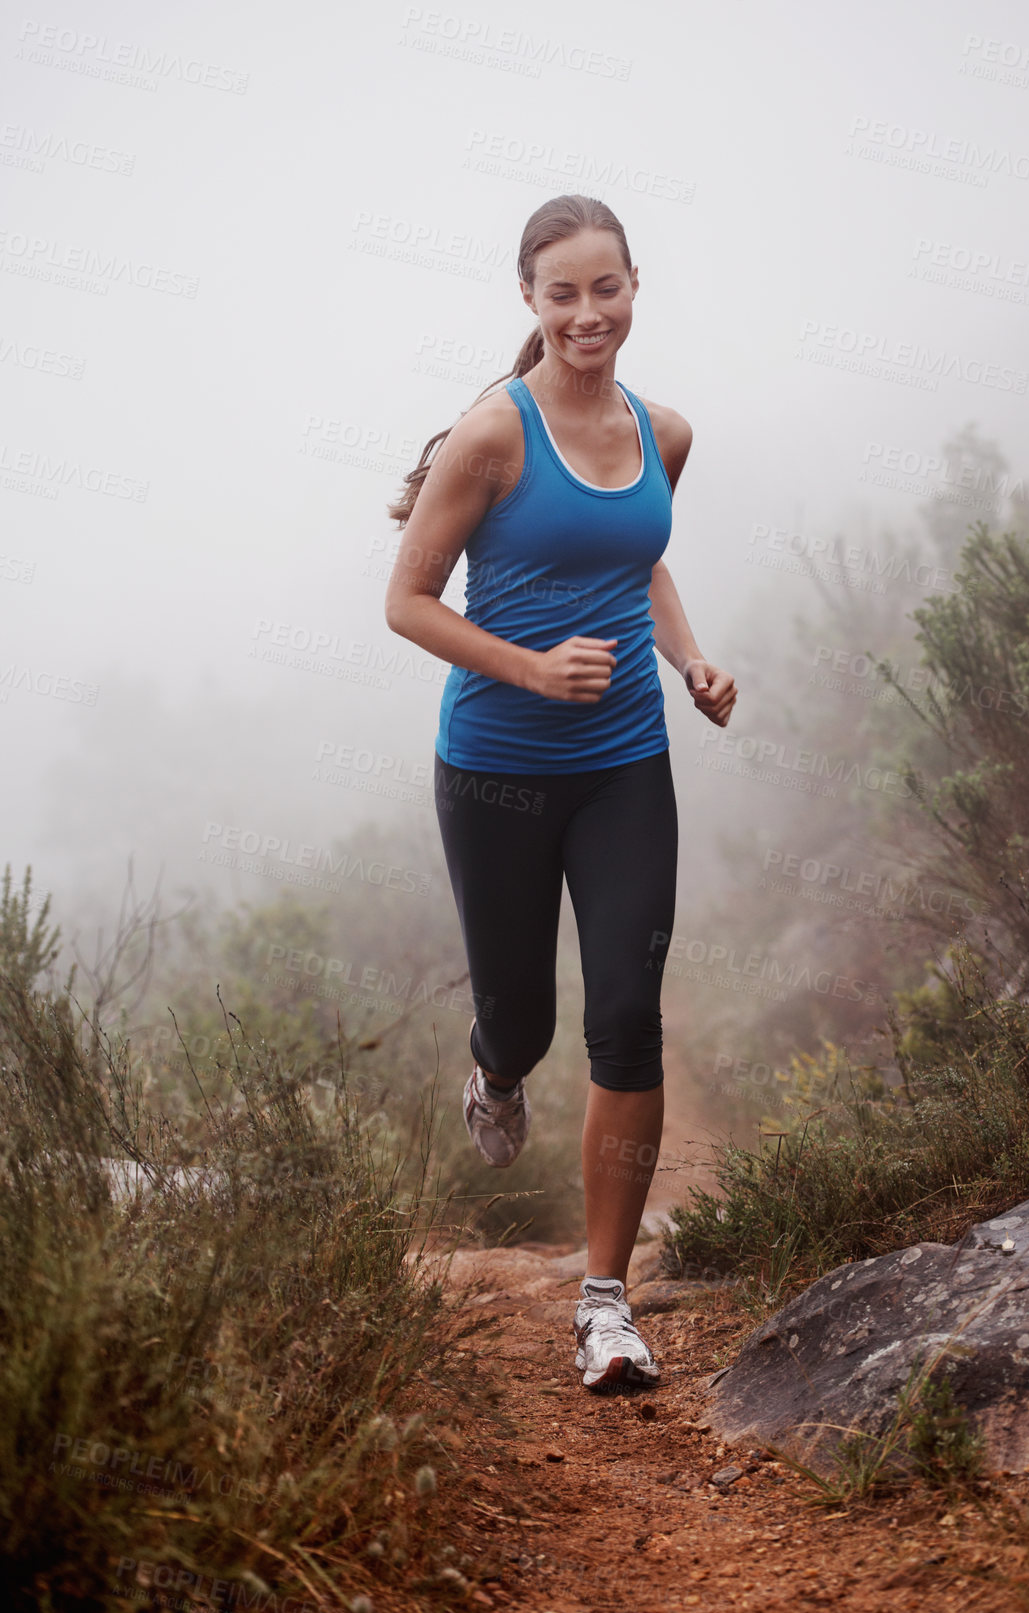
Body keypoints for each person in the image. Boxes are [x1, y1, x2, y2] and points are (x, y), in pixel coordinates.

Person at [384, 194, 736, 1392]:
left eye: (608, 289)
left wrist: (688, 659)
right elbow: (408, 602)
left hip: (627, 764)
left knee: (628, 1020)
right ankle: (493, 1064)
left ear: (636, 287)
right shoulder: (492, 436)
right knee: (527, 1019)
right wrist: (533, 665)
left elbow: (637, 561)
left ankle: (604, 1305)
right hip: (496, 772)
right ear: (530, 306)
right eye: (562, 294)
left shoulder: (665, 432)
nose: (589, 313)